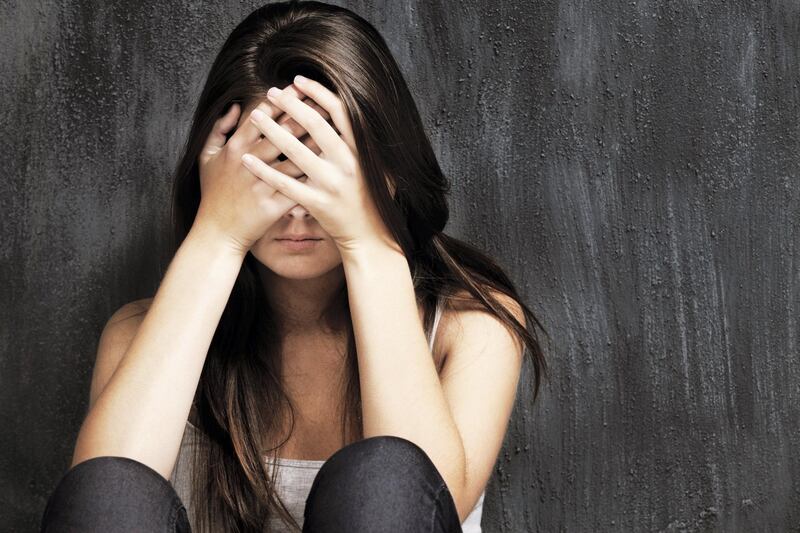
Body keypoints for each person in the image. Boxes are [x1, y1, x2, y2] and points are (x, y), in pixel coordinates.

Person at [40, 1, 549, 531]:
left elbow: (422, 506)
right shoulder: (136, 334)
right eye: (273, 167)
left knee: (383, 480)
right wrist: (217, 235)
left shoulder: (469, 330)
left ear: (389, 173)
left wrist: (369, 244)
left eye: (320, 168)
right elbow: (102, 509)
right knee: (110, 491)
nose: (297, 208)